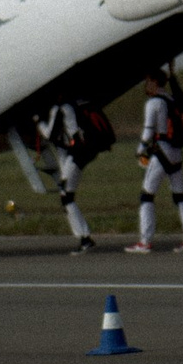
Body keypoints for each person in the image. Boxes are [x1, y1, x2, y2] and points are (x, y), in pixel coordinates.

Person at [127, 68, 183, 254]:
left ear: (154, 82)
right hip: (176, 152)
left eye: (148, 81)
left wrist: (141, 149)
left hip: (162, 151)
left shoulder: (154, 103)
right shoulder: (171, 99)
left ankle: (145, 241)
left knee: (147, 196)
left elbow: (149, 129)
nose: (146, 85)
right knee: (180, 196)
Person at [40, 97, 114, 252]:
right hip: (84, 150)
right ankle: (84, 238)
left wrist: (37, 121)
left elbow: (50, 135)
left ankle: (85, 239)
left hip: (78, 152)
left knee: (66, 196)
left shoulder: (59, 108)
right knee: (66, 193)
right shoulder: (77, 103)